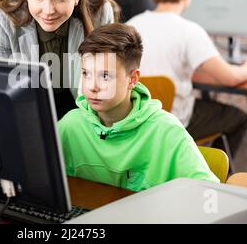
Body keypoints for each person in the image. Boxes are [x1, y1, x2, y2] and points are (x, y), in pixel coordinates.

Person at [126, 0, 247, 156]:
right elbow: (231, 78)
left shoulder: (130, 26)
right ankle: (211, 173)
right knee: (239, 117)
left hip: (135, 121)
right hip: (172, 122)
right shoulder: (189, 31)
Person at [58, 23, 219, 192]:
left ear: (133, 79)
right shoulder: (70, 126)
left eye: (105, 76)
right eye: (86, 73)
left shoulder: (166, 131)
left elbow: (209, 194)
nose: (92, 86)